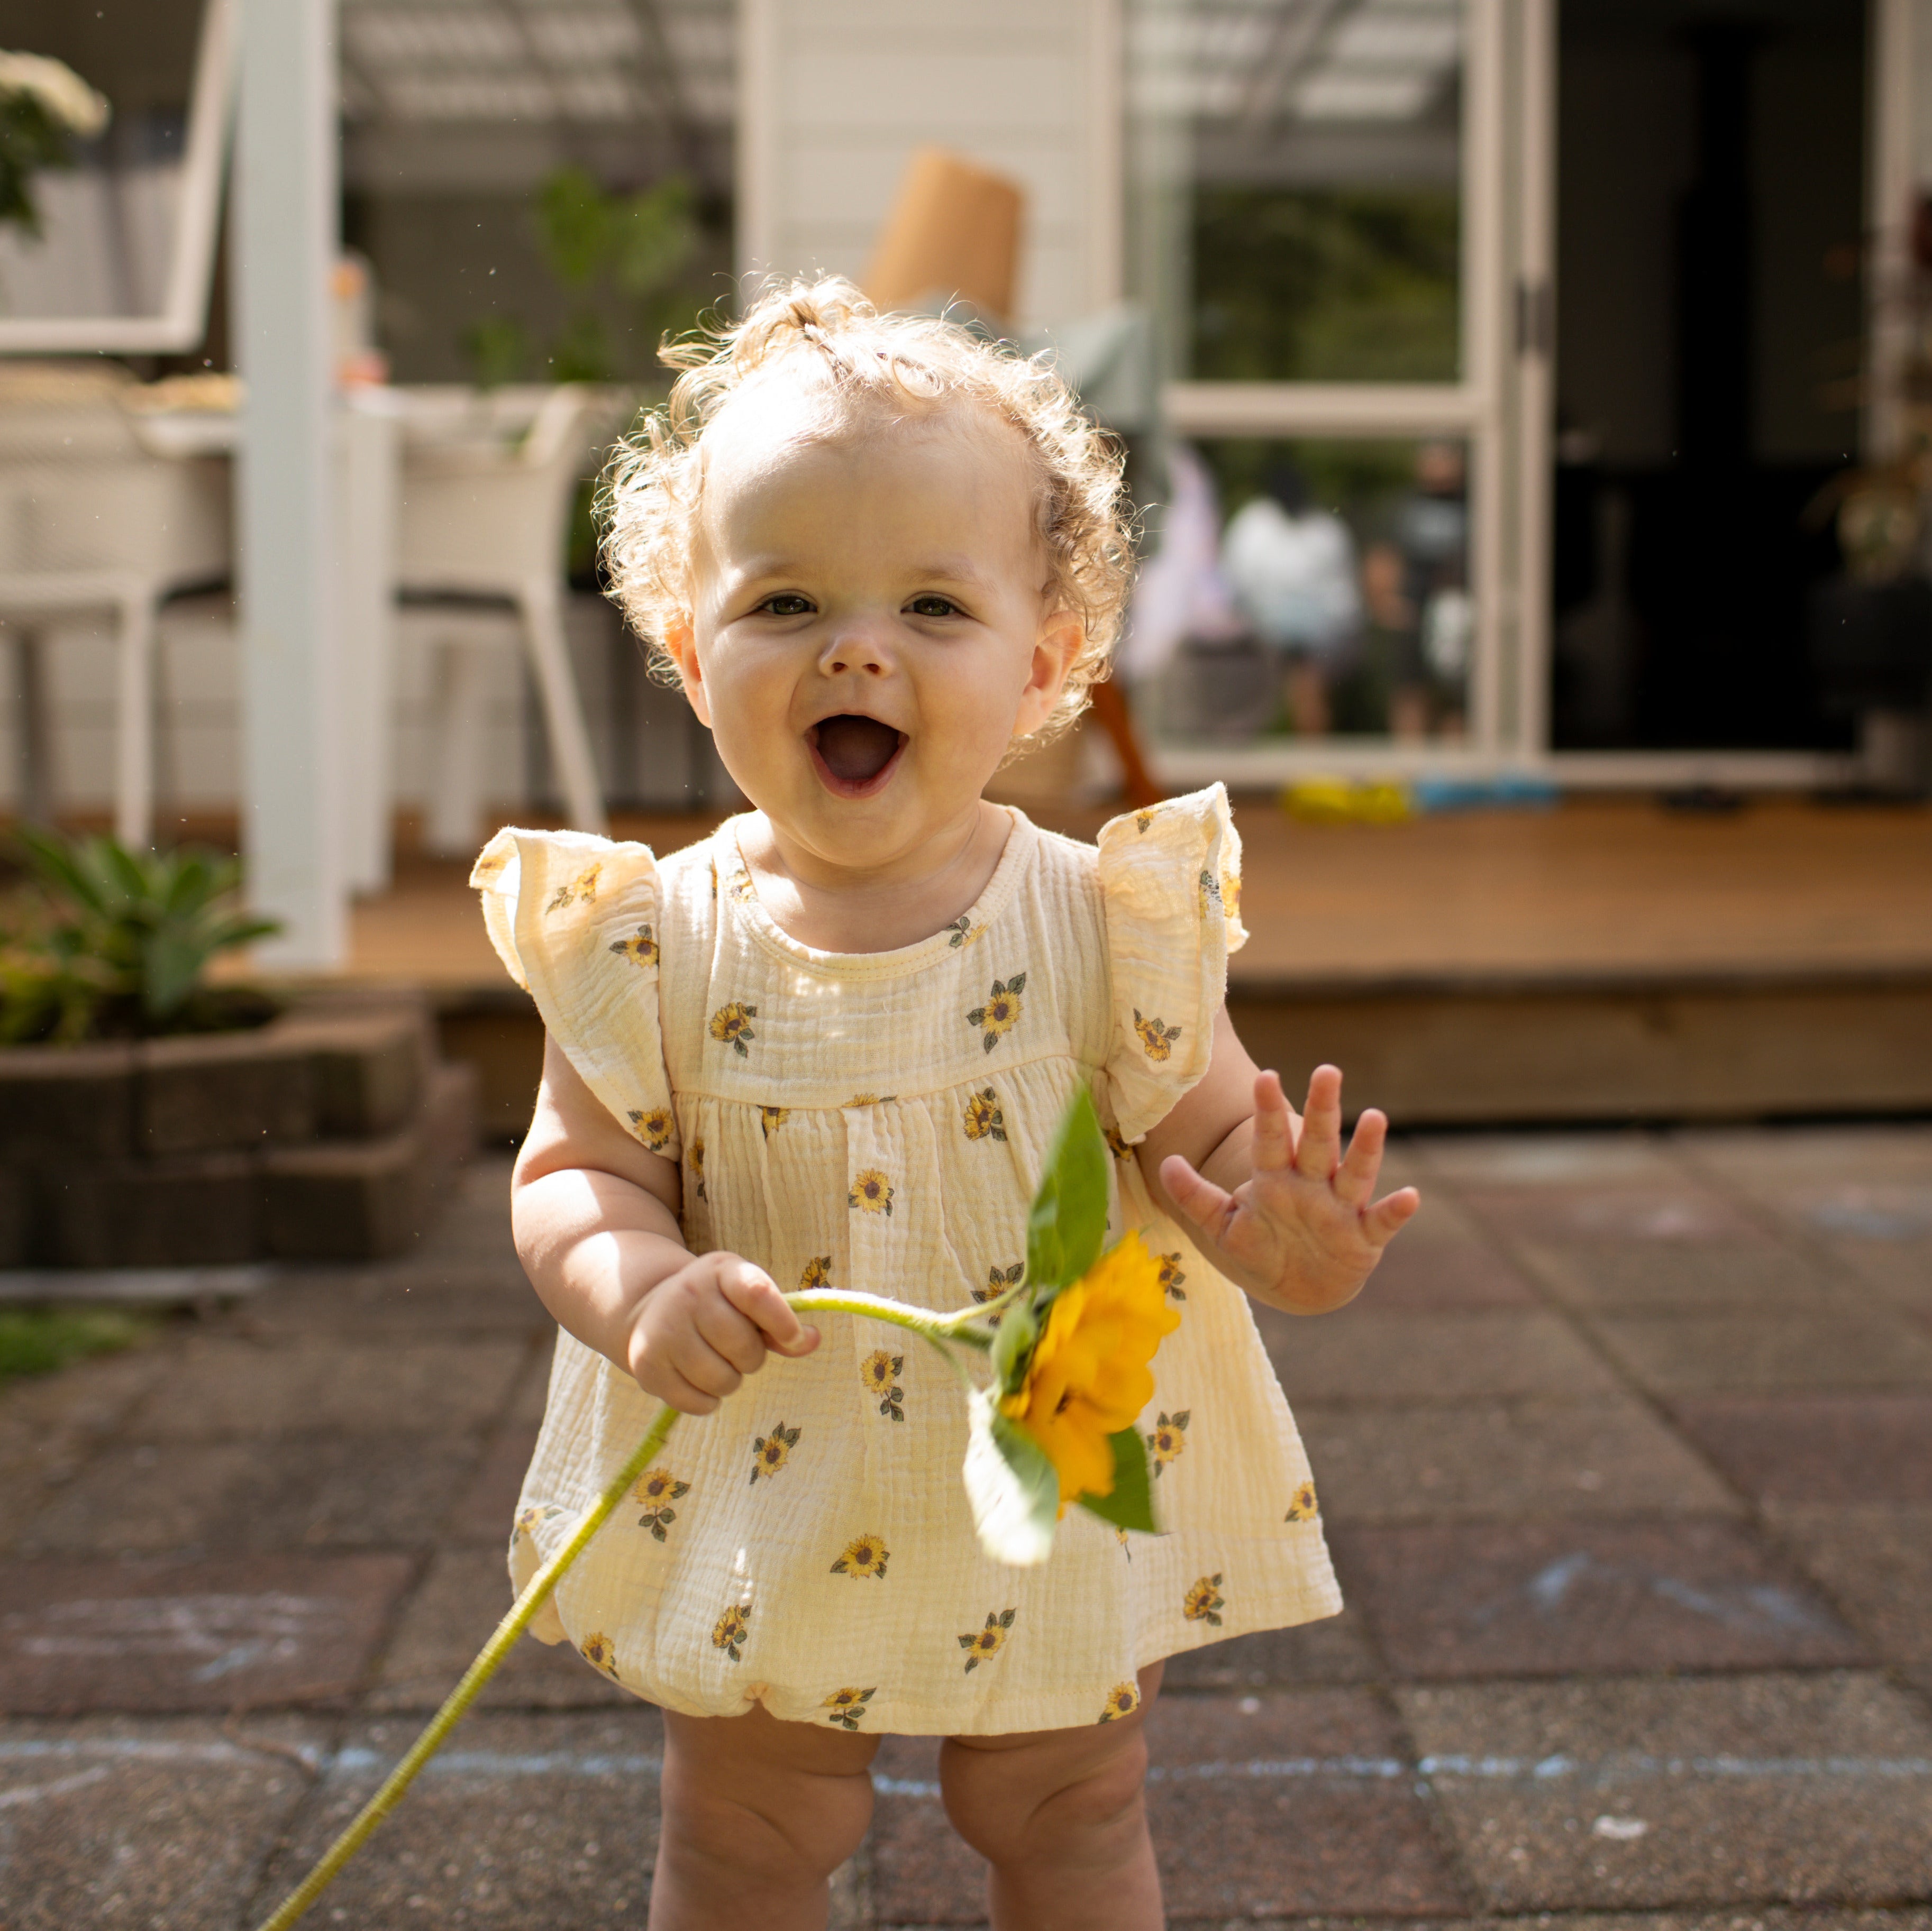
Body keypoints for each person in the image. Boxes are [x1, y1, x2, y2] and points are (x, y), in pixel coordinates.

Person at [472, 278, 1418, 1931]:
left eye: (929, 603)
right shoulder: (645, 937)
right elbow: (572, 1172)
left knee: (1059, 1803)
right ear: (694, 658)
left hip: (1042, 1447)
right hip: (764, 1448)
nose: (856, 646)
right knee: (748, 1831)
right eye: (784, 603)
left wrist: (1285, 1235)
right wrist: (636, 1287)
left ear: (1041, 662)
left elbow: (1207, 1141)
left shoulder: (1098, 917)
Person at [1220, 462, 1362, 738]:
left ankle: (1310, 759)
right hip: (1256, 633)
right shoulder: (1253, 525)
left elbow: (1342, 598)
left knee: (1306, 682)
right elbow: (1234, 584)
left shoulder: (1325, 530)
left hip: (1314, 639)